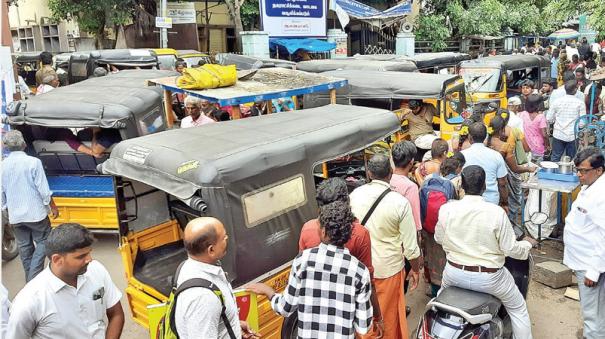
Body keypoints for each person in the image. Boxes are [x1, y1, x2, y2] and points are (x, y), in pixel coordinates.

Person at [435, 166, 537, 339]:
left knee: (439, 302)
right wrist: (527, 245)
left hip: (453, 274)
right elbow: (511, 249)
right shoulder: (496, 213)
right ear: (484, 187)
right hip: (490, 279)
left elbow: (439, 238)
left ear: (461, 185)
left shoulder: (447, 209)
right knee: (518, 309)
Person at [248, 201, 373, 338]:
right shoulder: (360, 272)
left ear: (324, 232)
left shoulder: (303, 261)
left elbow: (286, 308)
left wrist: (268, 291)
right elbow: (363, 326)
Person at [6, 223, 125, 339]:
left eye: (89, 253)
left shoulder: (96, 270)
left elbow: (116, 314)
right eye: (81, 256)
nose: (89, 259)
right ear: (57, 259)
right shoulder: (29, 302)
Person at [297, 178, 383, 336]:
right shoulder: (359, 233)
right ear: (347, 202)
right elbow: (368, 283)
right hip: (345, 316)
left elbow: (301, 277)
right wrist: (377, 316)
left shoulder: (307, 229)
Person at [349, 154, 421, 339]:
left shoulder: (354, 196)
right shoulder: (399, 203)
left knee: (362, 317)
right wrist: (414, 269)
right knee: (388, 320)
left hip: (358, 267)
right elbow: (411, 246)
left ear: (369, 173)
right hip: (388, 270)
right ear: (390, 173)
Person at [175, 217, 256, 338]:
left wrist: (233, 327)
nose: (227, 238)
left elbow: (211, 322)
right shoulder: (203, 298)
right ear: (211, 250)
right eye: (223, 237)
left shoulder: (187, 266)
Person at [1, 130, 58, 281]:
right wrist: (53, 206)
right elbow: (44, 190)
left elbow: (1, 195)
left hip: (15, 216)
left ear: (6, 147)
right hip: (36, 214)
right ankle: (33, 278)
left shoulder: (2, 166)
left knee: (25, 249)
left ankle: (30, 283)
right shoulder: (33, 162)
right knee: (44, 241)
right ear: (24, 144)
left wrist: (6, 211)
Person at [563, 147, 605, 339]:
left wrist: (594, 270)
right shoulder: (591, 185)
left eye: (584, 171)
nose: (579, 175)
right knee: (596, 311)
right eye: (577, 170)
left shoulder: (601, 195)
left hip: (589, 264)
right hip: (583, 259)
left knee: (592, 316)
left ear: (599, 170)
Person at [487, 116, 535, 228]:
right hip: (503, 181)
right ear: (501, 130)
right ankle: (510, 228)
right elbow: (515, 169)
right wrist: (530, 169)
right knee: (510, 207)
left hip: (490, 183)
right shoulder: (505, 146)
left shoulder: (486, 144)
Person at [460, 122, 508, 207]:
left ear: (470, 137)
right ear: (486, 136)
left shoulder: (461, 156)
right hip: (491, 201)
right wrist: (505, 203)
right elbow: (502, 183)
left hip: (467, 202)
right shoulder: (496, 156)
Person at [547, 80, 586, 162]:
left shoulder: (557, 102)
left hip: (558, 134)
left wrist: (555, 121)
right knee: (571, 160)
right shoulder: (580, 103)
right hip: (573, 135)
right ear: (576, 89)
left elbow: (549, 119)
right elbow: (582, 123)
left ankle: (553, 174)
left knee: (555, 158)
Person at [390, 141, 422, 231]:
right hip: (403, 234)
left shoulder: (386, 180)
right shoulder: (410, 187)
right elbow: (415, 221)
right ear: (411, 162)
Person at [520, 94, 550, 162]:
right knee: (538, 168)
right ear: (539, 105)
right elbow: (544, 135)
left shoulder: (522, 114)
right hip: (538, 147)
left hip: (525, 146)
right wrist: (547, 145)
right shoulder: (541, 117)